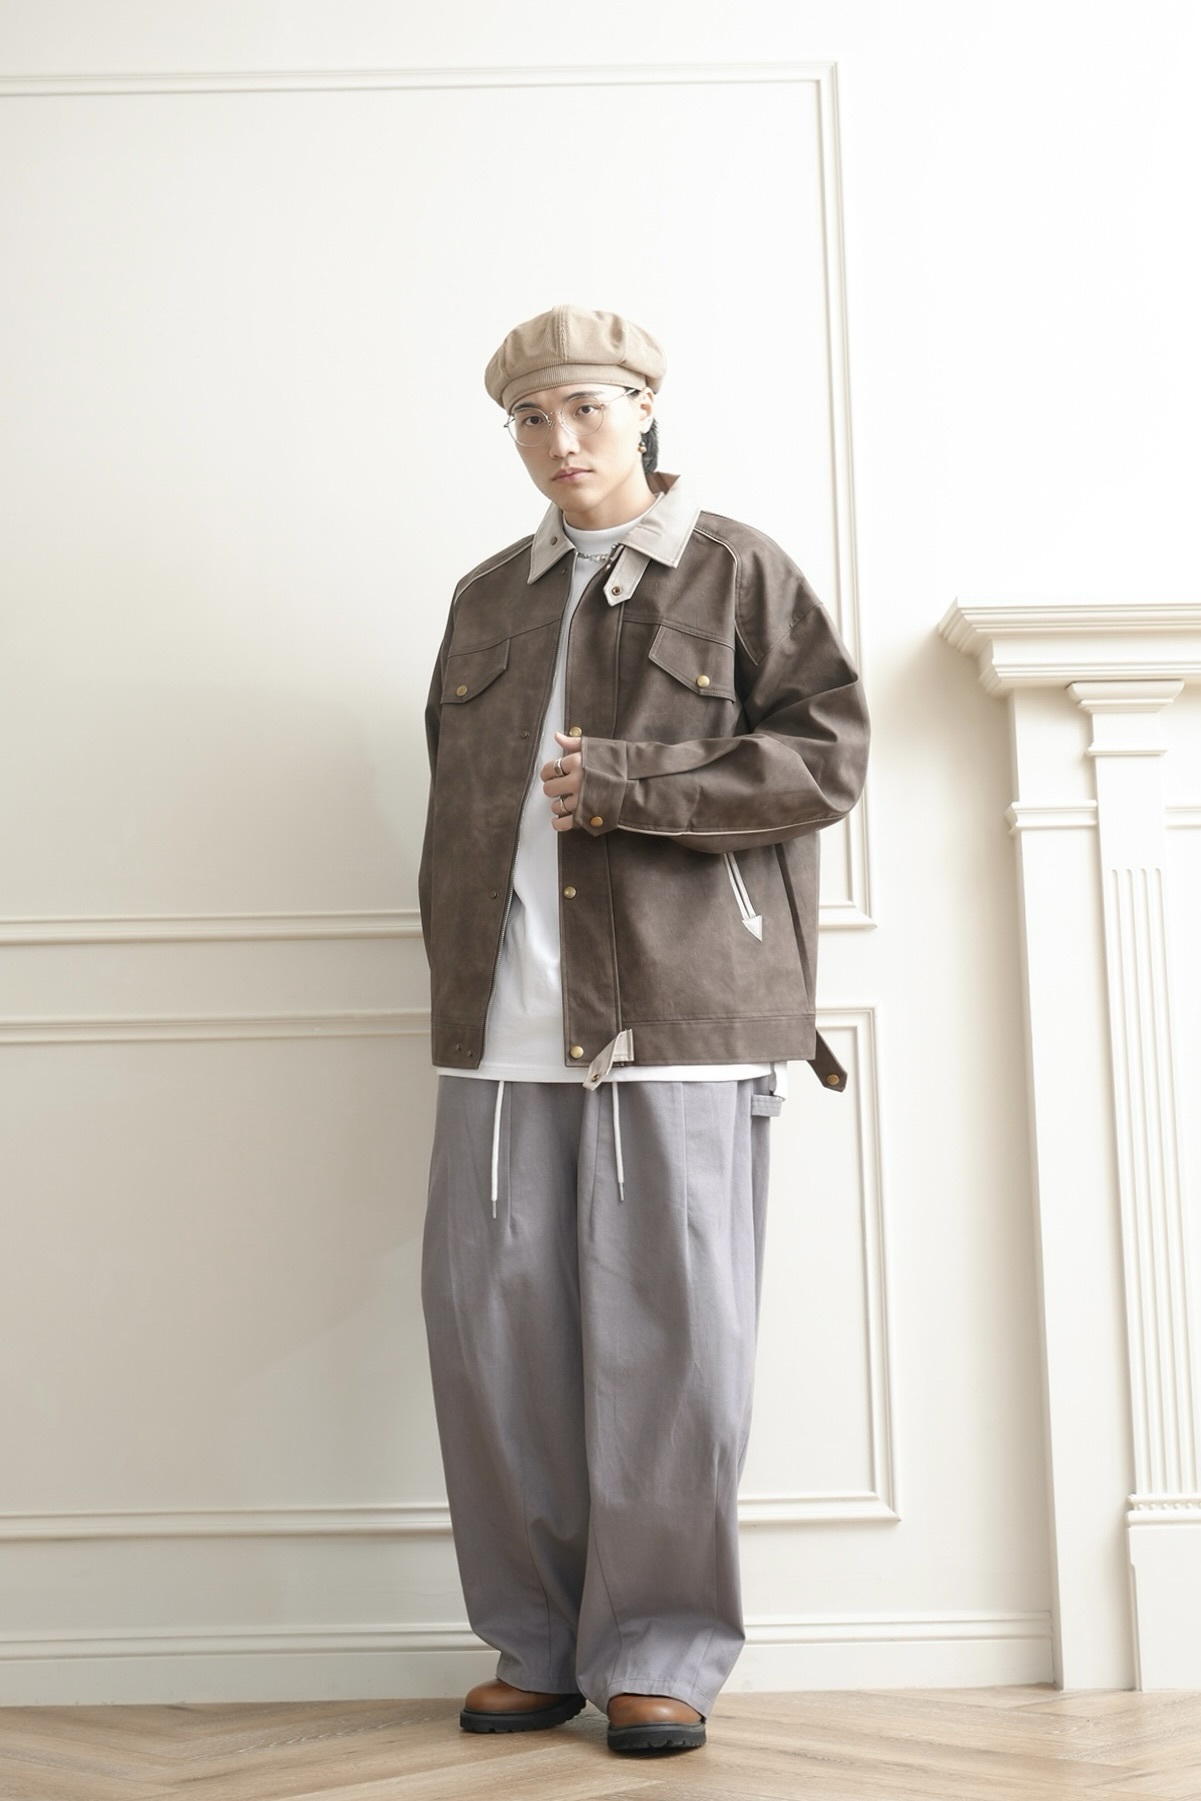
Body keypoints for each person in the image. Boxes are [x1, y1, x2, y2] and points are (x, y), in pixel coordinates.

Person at [418, 304, 869, 1755]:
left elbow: (827, 757)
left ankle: (661, 1648)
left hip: (678, 1020)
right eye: (531, 418)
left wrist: (628, 785)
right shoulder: (487, 598)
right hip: (502, 1026)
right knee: (493, 1342)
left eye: (588, 409)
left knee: (668, 1348)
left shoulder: (736, 569)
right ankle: (536, 1639)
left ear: (643, 411)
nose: (561, 440)